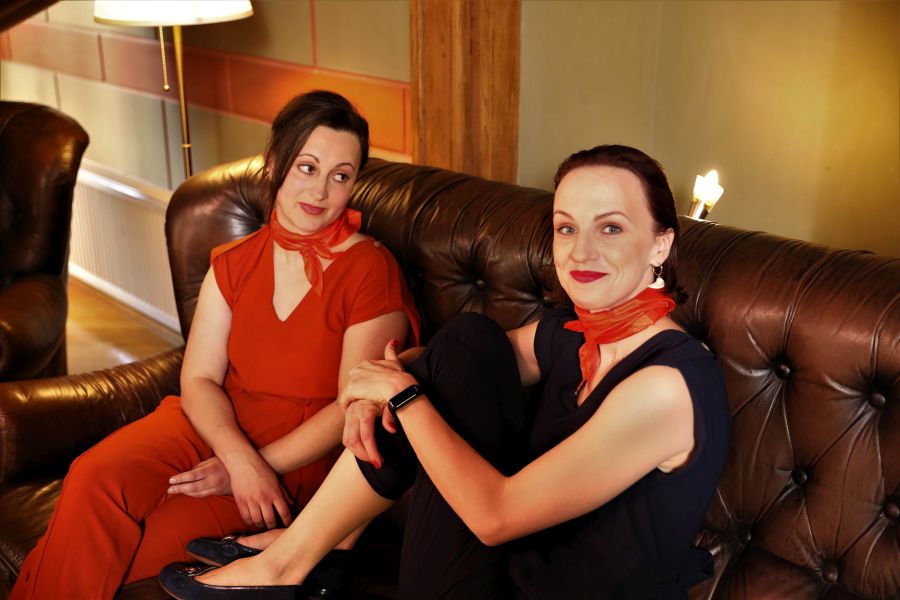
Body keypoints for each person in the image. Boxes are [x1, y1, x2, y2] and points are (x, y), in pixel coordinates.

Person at [159, 145, 731, 599]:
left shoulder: (667, 386)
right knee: (469, 337)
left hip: (531, 577)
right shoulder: (573, 334)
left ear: (660, 245)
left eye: (611, 228)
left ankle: (299, 556)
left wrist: (403, 396)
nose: (580, 252)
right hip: (515, 569)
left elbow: (495, 516)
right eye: (565, 227)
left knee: (440, 371)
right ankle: (308, 552)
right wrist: (373, 387)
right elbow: (453, 361)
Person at [10, 90, 419, 600]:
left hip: (296, 459)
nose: (321, 190)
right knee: (93, 475)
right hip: (210, 425)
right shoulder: (232, 261)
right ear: (276, 163)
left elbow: (349, 408)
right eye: (307, 167)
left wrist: (257, 467)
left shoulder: (370, 269)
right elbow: (200, 377)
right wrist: (237, 459)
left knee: (121, 555)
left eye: (341, 175)